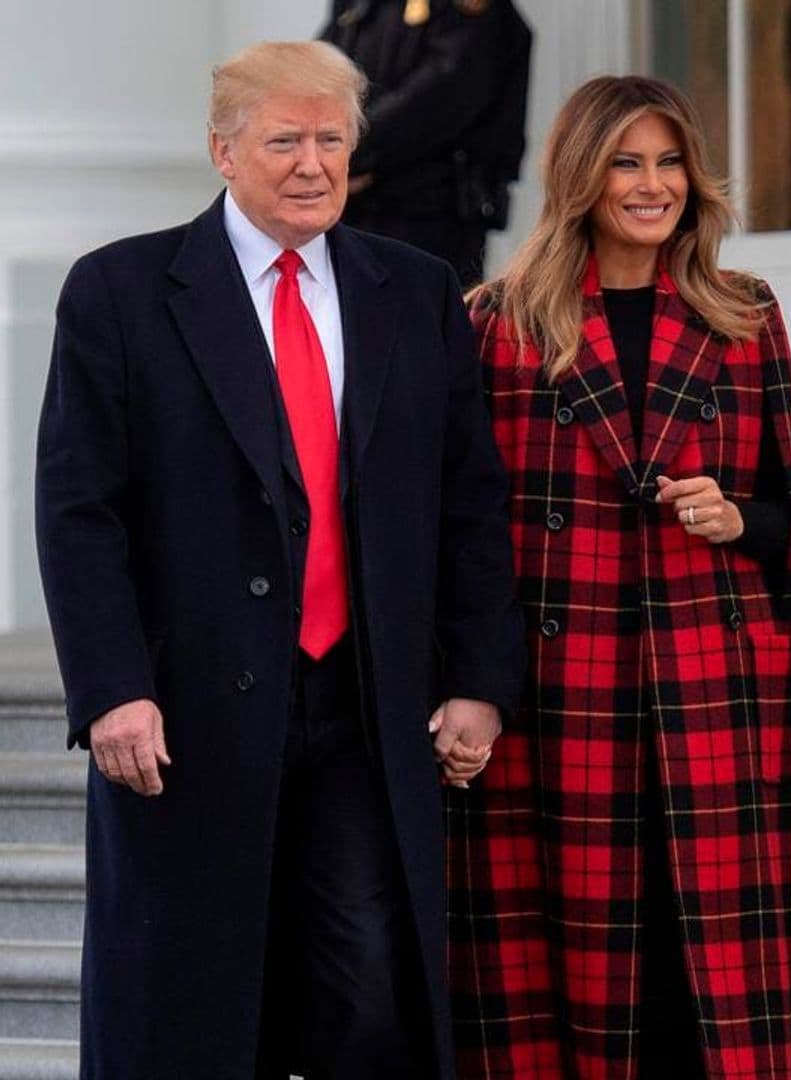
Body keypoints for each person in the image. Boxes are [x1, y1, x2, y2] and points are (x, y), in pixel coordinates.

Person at [35, 40, 523, 1080]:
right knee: (194, 1005)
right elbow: (80, 511)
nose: (314, 163)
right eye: (285, 140)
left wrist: (481, 681)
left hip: (363, 703)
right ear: (223, 152)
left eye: (334, 139)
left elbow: (471, 504)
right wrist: (113, 688)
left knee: (367, 994)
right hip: (184, 711)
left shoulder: (418, 290)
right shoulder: (121, 291)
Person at [445, 75, 791, 1078]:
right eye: (626, 163)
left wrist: (734, 516)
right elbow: (459, 529)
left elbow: (788, 521)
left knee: (705, 975)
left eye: (669, 161)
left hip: (710, 687)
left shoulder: (742, 313)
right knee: (568, 969)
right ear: (580, 178)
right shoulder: (499, 323)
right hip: (560, 694)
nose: (653, 185)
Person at [318, 0, 532, 287]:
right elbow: (319, 70)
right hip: (355, 210)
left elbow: (444, 96)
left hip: (429, 214)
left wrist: (349, 149)